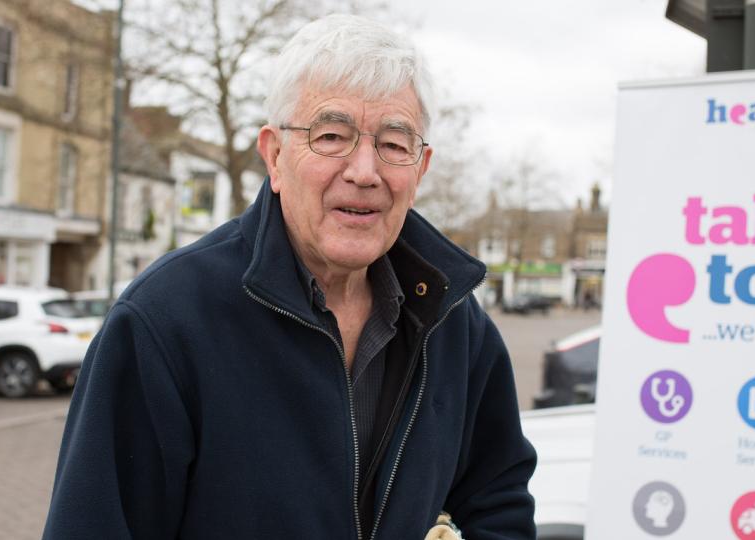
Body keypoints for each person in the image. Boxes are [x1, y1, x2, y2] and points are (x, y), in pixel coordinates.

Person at [43, 14, 536, 539]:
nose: (364, 171)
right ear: (275, 156)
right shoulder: (165, 321)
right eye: (331, 136)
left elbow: (496, 502)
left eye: (394, 145)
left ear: (420, 170)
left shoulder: (454, 322)